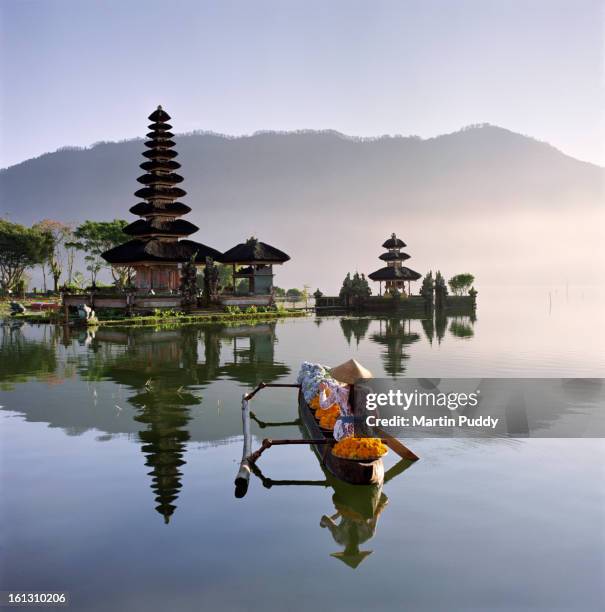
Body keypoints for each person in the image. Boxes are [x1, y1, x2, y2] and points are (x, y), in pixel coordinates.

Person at [318, 359, 373, 440]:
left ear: (344, 377)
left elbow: (323, 406)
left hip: (343, 433)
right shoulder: (367, 391)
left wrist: (322, 391)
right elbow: (374, 415)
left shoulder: (338, 391)